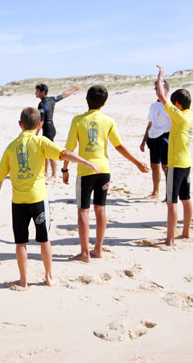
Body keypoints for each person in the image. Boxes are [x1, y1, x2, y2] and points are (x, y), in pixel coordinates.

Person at [0, 107, 99, 287]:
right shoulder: (41, 141)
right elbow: (64, 153)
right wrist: (85, 162)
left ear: (20, 125)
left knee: (20, 242)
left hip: (18, 202)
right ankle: (49, 276)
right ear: (40, 125)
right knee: (44, 239)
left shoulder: (11, 147)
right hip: (38, 200)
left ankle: (23, 280)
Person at [62, 85, 149, 262]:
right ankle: (98, 249)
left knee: (83, 211)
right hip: (104, 170)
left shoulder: (78, 120)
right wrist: (137, 162)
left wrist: (65, 169)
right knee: (100, 209)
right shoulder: (108, 121)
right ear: (104, 103)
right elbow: (119, 146)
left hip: (85, 170)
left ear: (86, 100)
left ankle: (85, 253)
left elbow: (69, 148)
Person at [153, 66, 193, 248]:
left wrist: (160, 78)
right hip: (186, 164)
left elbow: (162, 98)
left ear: (177, 104)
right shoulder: (189, 115)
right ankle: (185, 232)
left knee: (171, 203)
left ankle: (169, 241)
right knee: (186, 199)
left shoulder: (179, 117)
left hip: (176, 165)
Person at [35, 83, 82, 178]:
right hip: (51, 128)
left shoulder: (42, 104)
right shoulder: (52, 99)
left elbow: (42, 120)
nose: (35, 93)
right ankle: (46, 173)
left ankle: (53, 174)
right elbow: (64, 95)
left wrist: (36, 132)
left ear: (43, 92)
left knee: (49, 151)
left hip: (47, 129)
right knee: (45, 151)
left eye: (37, 91)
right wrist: (74, 89)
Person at [139, 80, 171, 199]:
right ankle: (155, 192)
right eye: (156, 89)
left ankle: (169, 193)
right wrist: (143, 141)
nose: (157, 91)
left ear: (166, 90)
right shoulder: (153, 105)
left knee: (166, 167)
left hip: (165, 137)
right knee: (154, 166)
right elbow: (150, 123)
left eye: (160, 88)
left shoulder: (169, 105)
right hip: (153, 138)